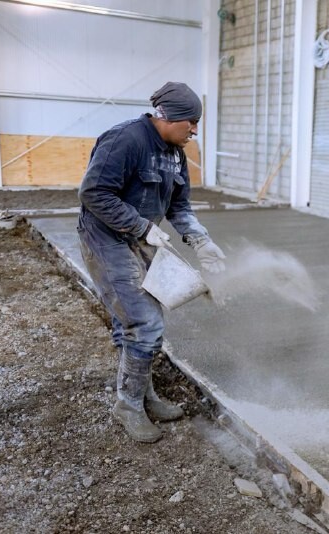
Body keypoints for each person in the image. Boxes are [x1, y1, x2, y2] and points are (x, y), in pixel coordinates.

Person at [77, 82, 226, 443]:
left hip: (142, 240)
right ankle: (128, 405)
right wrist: (141, 226)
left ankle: (143, 394)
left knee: (135, 320)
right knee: (144, 322)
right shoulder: (125, 140)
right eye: (191, 121)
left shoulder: (175, 153)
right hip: (107, 239)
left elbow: (179, 206)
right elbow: (93, 193)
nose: (194, 129)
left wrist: (200, 240)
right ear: (167, 116)